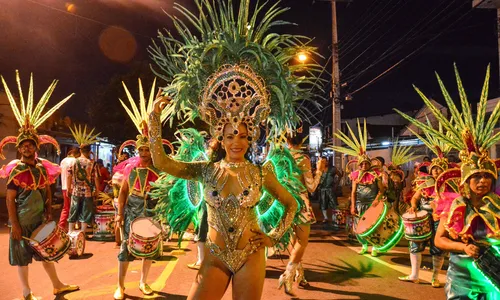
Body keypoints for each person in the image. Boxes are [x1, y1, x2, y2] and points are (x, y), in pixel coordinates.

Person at [147, 0, 322, 298]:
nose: (236, 142)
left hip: (251, 256)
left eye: (242, 136)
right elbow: (163, 164)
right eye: (230, 136)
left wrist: (272, 238)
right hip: (214, 255)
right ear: (221, 138)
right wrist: (154, 123)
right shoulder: (206, 170)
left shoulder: (260, 171)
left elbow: (292, 205)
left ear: (250, 137)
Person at [396, 65, 500, 299]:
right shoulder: (456, 205)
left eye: (487, 177)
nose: (482, 181)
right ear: (465, 180)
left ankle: (432, 272)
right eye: (476, 177)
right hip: (462, 275)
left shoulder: (497, 204)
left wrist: (491, 241)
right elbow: (439, 239)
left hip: (493, 273)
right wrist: (463, 247)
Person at [0, 70, 78, 300]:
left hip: (39, 219)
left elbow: (46, 191)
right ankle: (26, 292)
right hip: (21, 221)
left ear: (36, 147)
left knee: (47, 252)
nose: (26, 148)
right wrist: (14, 224)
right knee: (21, 257)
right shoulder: (16, 169)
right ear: (19, 148)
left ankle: (57, 285)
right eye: (23, 145)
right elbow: (10, 198)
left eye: (29, 145)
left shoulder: (43, 167)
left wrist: (47, 213)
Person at [112, 78, 173, 299]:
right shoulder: (131, 169)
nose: (145, 153)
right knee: (125, 250)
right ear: (138, 150)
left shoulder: (159, 170)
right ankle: (120, 286)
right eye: (142, 150)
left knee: (149, 249)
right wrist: (119, 215)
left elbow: (165, 194)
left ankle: (144, 282)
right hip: (132, 210)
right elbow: (123, 193)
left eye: (148, 150)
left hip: (152, 211)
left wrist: (164, 215)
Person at [331, 119, 386, 257]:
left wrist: (377, 199)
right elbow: (354, 192)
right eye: (361, 165)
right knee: (359, 226)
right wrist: (352, 206)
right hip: (360, 204)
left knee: (373, 226)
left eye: (366, 164)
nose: (363, 166)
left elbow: (382, 189)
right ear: (359, 165)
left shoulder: (375, 175)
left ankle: (374, 247)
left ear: (369, 164)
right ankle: (364, 245)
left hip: (372, 204)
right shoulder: (355, 176)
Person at [279, 134, 323, 294]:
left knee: (293, 241)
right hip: (300, 204)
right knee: (302, 242)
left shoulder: (280, 157)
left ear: (286, 140)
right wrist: (319, 171)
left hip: (284, 204)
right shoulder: (302, 159)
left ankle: (300, 275)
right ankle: (288, 274)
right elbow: (311, 187)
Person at [67, 125, 100, 234]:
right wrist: (98, 191)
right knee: (86, 212)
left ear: (80, 150)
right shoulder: (92, 163)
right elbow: (95, 178)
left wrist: (68, 188)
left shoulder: (73, 162)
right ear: (89, 151)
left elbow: (69, 175)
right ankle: (83, 232)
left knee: (74, 210)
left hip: (76, 190)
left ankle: (70, 231)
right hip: (88, 192)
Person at [58, 147, 80, 231]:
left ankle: (62, 225)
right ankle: (71, 225)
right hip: (72, 187)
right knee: (74, 207)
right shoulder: (74, 161)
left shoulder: (63, 160)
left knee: (66, 207)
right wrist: (69, 187)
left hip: (64, 186)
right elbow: (69, 175)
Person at [319, 158, 343, 225]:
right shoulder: (319, 169)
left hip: (330, 189)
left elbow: (340, 175)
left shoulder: (332, 169)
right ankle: (325, 218)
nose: (324, 163)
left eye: (325, 161)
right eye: (322, 161)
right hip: (322, 189)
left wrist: (336, 184)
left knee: (334, 204)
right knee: (323, 204)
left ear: (327, 162)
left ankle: (335, 218)